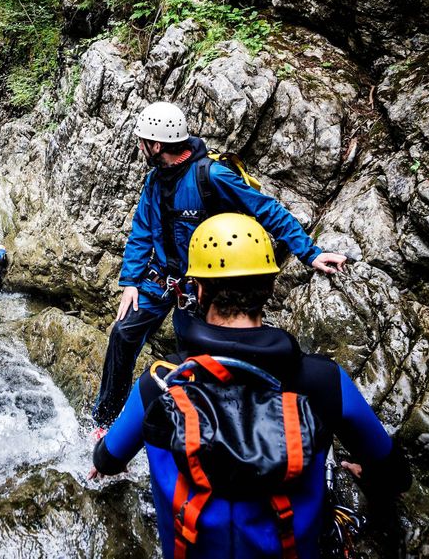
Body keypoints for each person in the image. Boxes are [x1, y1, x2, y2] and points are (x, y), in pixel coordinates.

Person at [91, 213, 411, 559]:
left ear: (198, 290)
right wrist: (368, 473)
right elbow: (395, 477)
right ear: (270, 286)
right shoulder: (324, 381)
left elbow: (106, 459)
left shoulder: (161, 382)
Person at [92, 100, 347, 429]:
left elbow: (266, 210)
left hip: (202, 285)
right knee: (124, 333)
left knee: (193, 353)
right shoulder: (155, 180)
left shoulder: (212, 175)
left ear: (156, 146)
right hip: (162, 279)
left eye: (143, 141)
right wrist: (130, 282)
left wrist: (309, 253)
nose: (140, 146)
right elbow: (142, 231)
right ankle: (106, 420)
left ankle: (194, 425)